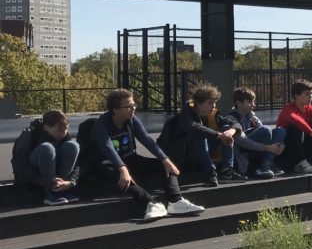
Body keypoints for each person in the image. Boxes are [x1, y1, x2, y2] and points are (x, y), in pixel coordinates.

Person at [83, 89, 204, 221]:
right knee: (117, 174)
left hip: (129, 158)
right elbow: (108, 148)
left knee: (165, 165)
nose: (133, 109)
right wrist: (122, 169)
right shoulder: (101, 124)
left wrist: (165, 159)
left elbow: (147, 140)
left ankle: (176, 201)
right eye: (129, 106)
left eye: (134, 105)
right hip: (107, 162)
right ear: (116, 109)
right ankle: (151, 203)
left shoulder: (132, 120)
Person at [171, 85, 245, 187]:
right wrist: (218, 135)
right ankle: (211, 172)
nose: (213, 106)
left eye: (214, 103)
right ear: (198, 103)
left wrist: (230, 132)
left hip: (205, 153)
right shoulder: (187, 112)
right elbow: (192, 127)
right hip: (186, 156)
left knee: (227, 128)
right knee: (199, 134)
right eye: (210, 103)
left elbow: (235, 123)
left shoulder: (213, 113)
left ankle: (226, 171)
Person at [11, 109, 80, 205]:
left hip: (56, 176)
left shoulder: (63, 133)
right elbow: (20, 166)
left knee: (73, 146)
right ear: (46, 127)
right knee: (47, 148)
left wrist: (71, 181)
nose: (63, 133)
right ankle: (51, 192)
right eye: (59, 131)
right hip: (35, 177)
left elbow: (76, 163)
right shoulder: (29, 134)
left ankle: (61, 188)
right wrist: (47, 182)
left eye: (66, 129)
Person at [228, 87, 286, 179]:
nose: (253, 105)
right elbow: (242, 141)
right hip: (244, 152)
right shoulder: (231, 118)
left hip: (258, 148)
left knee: (280, 131)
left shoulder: (252, 116)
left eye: (253, 102)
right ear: (239, 103)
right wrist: (267, 147)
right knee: (265, 130)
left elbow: (268, 135)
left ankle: (266, 165)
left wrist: (281, 144)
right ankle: (265, 165)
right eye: (249, 102)